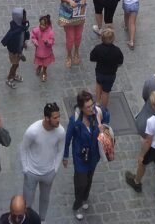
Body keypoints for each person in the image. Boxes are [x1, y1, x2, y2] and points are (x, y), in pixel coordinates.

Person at [62, 89, 111, 221]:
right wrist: (65, 156)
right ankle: (77, 205)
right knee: (81, 182)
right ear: (81, 108)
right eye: (88, 107)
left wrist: (104, 127)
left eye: (92, 104)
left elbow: (107, 118)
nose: (92, 108)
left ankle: (84, 198)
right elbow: (67, 139)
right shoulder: (75, 121)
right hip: (80, 157)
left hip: (94, 155)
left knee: (89, 179)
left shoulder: (97, 112)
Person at [19, 103, 64, 222]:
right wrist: (25, 169)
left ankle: (42, 220)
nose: (58, 120)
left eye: (59, 116)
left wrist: (55, 169)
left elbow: (61, 150)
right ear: (47, 118)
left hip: (49, 172)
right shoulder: (32, 131)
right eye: (55, 117)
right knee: (27, 202)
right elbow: (23, 148)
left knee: (45, 199)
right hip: (31, 172)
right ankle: (28, 221)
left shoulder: (60, 131)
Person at [56, 0, 90, 68]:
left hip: (79, 14)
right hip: (68, 15)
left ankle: (76, 52)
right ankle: (68, 55)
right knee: (70, 38)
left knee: (78, 36)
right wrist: (69, 0)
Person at [89, 27, 124, 108]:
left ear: (102, 38)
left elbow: (92, 58)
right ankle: (103, 109)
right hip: (111, 74)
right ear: (113, 39)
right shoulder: (117, 50)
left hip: (100, 72)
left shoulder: (98, 48)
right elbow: (120, 62)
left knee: (98, 85)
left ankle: (97, 102)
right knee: (106, 92)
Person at [1, 7, 30, 89]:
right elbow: (13, 43)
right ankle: (10, 78)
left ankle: (13, 75)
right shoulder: (15, 32)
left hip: (18, 50)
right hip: (15, 52)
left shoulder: (21, 27)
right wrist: (19, 53)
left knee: (16, 65)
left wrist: (23, 43)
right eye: (24, 17)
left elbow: (22, 37)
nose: (25, 18)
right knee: (15, 65)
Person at [30, 16, 55, 83]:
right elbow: (33, 36)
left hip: (46, 52)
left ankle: (44, 72)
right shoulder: (37, 30)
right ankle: (39, 66)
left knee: (45, 64)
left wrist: (48, 42)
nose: (41, 26)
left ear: (47, 25)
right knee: (40, 61)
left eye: (43, 25)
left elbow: (52, 41)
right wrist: (35, 42)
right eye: (40, 24)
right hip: (39, 50)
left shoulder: (50, 32)